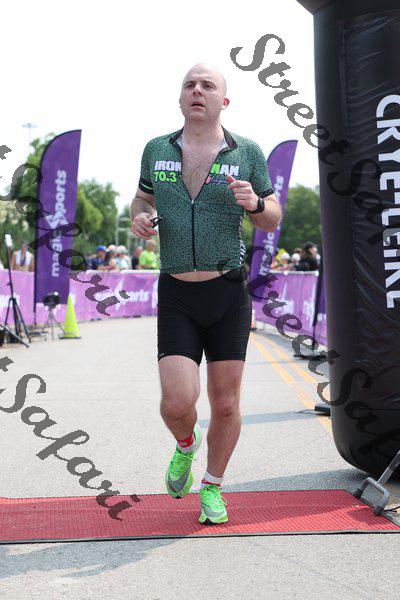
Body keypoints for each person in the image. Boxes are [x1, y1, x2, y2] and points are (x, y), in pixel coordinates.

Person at [131, 63, 281, 525]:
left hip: (228, 291)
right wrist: (139, 216)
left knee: (226, 403)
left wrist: (255, 203)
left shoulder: (247, 152)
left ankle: (212, 486)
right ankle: (185, 445)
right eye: (189, 85)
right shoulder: (157, 149)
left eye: (207, 85)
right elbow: (141, 198)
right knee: (177, 403)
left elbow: (272, 216)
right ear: (181, 99)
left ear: (223, 100)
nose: (197, 90)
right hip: (177, 291)